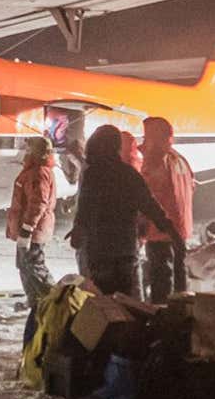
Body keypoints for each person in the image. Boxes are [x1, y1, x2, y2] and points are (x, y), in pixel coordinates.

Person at [69, 124, 185, 298]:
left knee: (104, 300)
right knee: (124, 298)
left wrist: (78, 231)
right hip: (125, 248)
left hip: (100, 249)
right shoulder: (129, 173)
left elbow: (85, 207)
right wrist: (171, 231)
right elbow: (150, 205)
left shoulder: (94, 174)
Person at [6, 136, 56, 346]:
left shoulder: (38, 173)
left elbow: (38, 203)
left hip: (32, 231)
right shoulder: (33, 170)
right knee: (24, 265)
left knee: (34, 265)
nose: (24, 151)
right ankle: (36, 301)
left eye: (28, 147)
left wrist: (26, 230)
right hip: (27, 231)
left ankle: (52, 300)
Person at [138, 117, 193, 305]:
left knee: (161, 281)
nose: (142, 143)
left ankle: (162, 322)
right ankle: (181, 320)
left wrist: (140, 227)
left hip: (161, 231)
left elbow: (144, 195)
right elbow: (191, 187)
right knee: (180, 279)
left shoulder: (154, 162)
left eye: (146, 138)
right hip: (180, 228)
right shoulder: (180, 159)